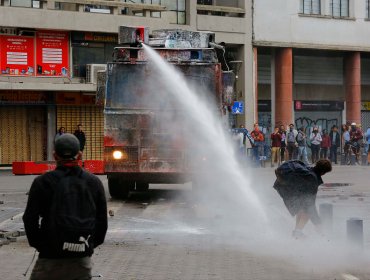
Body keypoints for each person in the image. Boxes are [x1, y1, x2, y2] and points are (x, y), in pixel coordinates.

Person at [23, 133, 108, 280]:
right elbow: (102, 222)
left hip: (49, 259)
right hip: (81, 261)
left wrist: (42, 246)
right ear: (80, 155)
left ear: (55, 156)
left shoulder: (42, 182)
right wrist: (88, 247)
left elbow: (29, 219)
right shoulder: (93, 183)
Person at [273, 159, 332, 239]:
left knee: (301, 208)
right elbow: (310, 204)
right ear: (324, 172)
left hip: (282, 186)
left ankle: (296, 231)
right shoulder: (312, 178)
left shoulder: (306, 168)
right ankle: (298, 232)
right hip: (287, 189)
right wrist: (317, 223)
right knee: (308, 210)